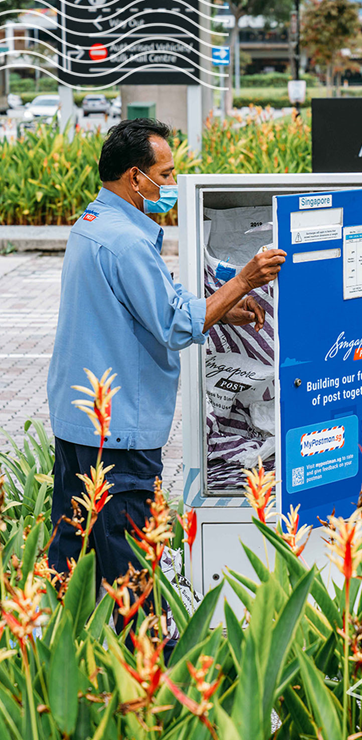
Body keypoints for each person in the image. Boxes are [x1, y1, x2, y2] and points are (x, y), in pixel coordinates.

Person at [47, 118, 286, 621]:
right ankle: (153, 675)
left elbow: (153, 301)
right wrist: (242, 280)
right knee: (132, 569)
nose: (173, 184)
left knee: (71, 564)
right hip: (117, 436)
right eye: (168, 172)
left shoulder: (94, 223)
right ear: (137, 178)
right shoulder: (128, 242)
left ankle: (61, 662)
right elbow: (174, 324)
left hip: (78, 425)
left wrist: (220, 304)